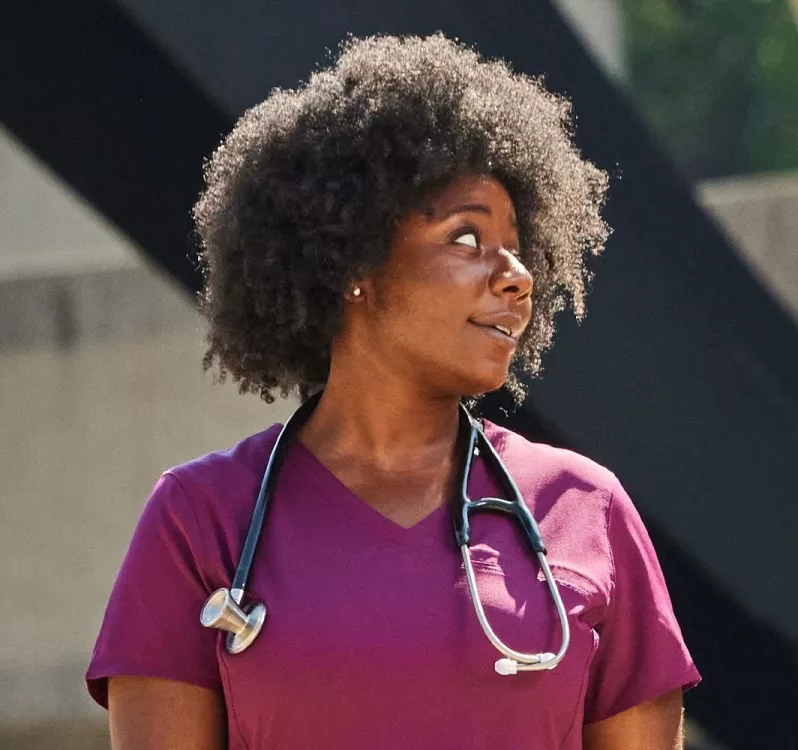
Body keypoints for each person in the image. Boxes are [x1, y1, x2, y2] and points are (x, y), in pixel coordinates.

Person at [86, 33, 700, 749]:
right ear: (355, 263)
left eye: (518, 247)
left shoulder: (584, 509)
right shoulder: (199, 522)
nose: (517, 276)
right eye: (467, 240)